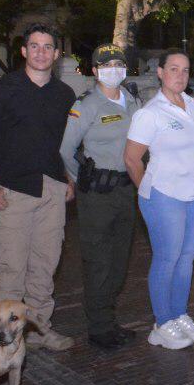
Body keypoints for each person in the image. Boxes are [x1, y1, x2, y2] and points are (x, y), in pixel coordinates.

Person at [0, 23, 77, 351]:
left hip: (52, 189)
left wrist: (67, 178)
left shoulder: (64, 94)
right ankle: (4, 340)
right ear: (23, 51)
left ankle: (39, 330)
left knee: (45, 264)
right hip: (13, 191)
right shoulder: (1, 90)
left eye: (47, 47)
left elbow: (63, 144)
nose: (41, 52)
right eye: (34, 46)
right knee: (12, 267)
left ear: (57, 54)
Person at [124, 50, 194, 350]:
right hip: (164, 195)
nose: (180, 75)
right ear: (160, 72)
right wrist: (149, 192)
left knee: (186, 258)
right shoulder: (150, 113)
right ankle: (162, 324)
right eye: (173, 69)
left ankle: (179, 314)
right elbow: (131, 159)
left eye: (185, 70)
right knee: (167, 258)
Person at [59, 44, 142, 351]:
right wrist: (82, 178)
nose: (113, 69)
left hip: (125, 190)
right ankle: (99, 327)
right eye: (106, 65)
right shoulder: (87, 105)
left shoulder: (132, 100)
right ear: (94, 71)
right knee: (98, 261)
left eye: (118, 64)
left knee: (120, 259)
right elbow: (65, 149)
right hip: (97, 194)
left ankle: (109, 319)